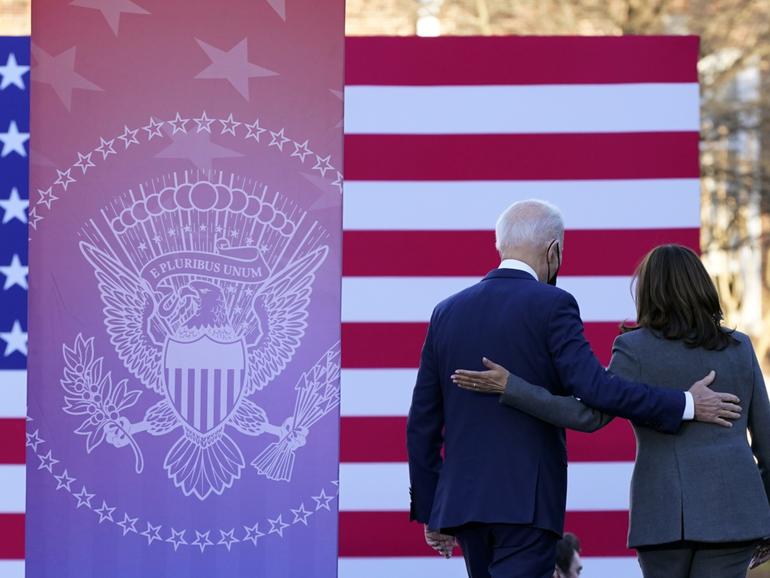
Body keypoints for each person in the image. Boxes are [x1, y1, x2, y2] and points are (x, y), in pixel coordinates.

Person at [406, 200, 741, 578]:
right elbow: (596, 389)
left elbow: (422, 423)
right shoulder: (553, 303)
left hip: (463, 505)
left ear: (500, 246)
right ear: (554, 251)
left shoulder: (446, 311)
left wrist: (432, 509)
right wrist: (686, 404)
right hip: (526, 504)